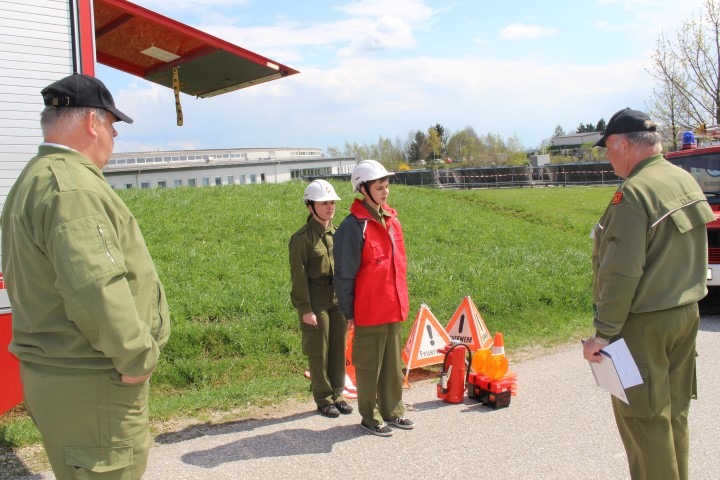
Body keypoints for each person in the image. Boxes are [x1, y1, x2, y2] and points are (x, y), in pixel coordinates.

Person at [1, 73, 171, 480]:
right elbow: (95, 286)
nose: (114, 135)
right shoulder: (72, 188)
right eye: (112, 124)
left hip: (65, 378)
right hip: (93, 380)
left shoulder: (35, 176)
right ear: (93, 122)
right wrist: (137, 357)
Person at [582, 108, 713, 480]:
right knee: (673, 414)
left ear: (624, 145)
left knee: (644, 420)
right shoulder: (683, 179)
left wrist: (602, 334)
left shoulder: (634, 194)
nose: (608, 157)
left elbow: (621, 273)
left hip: (643, 325)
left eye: (608, 148)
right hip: (685, 314)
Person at [333, 160, 413, 437]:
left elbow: (398, 266)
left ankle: (393, 411)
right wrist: (349, 312)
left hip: (393, 307)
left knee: (392, 365)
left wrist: (401, 301)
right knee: (369, 368)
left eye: (387, 186)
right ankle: (370, 417)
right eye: (379, 187)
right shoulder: (353, 227)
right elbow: (344, 275)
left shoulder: (392, 221)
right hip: (368, 310)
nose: (385, 192)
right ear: (363, 190)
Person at [289, 179, 353, 418]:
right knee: (319, 351)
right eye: (324, 203)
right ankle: (323, 398)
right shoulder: (302, 238)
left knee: (338, 349)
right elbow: (298, 276)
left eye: (332, 203)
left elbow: (346, 270)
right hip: (315, 300)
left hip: (337, 300)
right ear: (310, 206)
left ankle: (338, 394)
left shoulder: (338, 233)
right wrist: (305, 308)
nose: (330, 207)